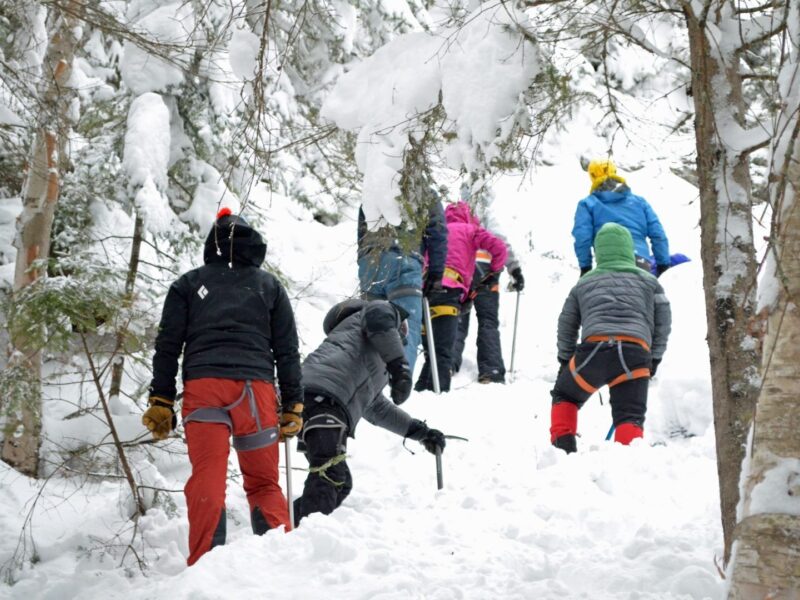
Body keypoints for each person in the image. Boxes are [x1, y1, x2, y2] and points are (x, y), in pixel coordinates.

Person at [142, 208, 304, 566]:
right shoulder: (269, 286)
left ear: (211, 246)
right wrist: (294, 404)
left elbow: (168, 345)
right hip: (255, 393)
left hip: (204, 389)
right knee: (263, 483)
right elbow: (287, 350)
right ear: (252, 245)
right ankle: (282, 566)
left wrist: (161, 400)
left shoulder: (187, 285)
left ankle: (205, 566)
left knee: (208, 480)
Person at [294, 298, 446, 525]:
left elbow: (376, 407)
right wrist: (400, 368)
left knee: (340, 480)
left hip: (315, 401)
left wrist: (420, 432)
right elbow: (380, 319)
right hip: (323, 398)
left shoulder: (367, 357)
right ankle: (297, 538)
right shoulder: (373, 311)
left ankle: (283, 525)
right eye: (401, 324)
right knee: (329, 476)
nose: (403, 327)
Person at [550, 223, 671, 453]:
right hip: (635, 354)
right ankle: (626, 463)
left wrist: (565, 360)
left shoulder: (583, 284)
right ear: (629, 249)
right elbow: (663, 322)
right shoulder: (650, 283)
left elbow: (566, 324)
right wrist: (654, 358)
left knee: (564, 395)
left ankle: (561, 452)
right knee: (630, 415)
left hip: (594, 352)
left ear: (598, 251)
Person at [415, 201, 507, 392]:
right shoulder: (470, 230)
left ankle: (419, 396)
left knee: (431, 352)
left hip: (424, 292)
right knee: (442, 353)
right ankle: (436, 399)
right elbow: (499, 247)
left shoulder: (436, 231)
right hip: (449, 292)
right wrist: (494, 273)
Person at [357, 190, 448, 376]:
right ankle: (399, 387)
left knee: (369, 328)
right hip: (404, 259)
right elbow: (437, 231)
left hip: (370, 262)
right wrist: (436, 273)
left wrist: (364, 259)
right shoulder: (422, 191)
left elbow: (362, 230)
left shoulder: (375, 186)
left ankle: (368, 391)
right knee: (407, 329)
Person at [451, 186, 524, 383]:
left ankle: (447, 361)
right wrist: (514, 269)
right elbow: (501, 243)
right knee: (488, 320)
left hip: (462, 271)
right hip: (487, 272)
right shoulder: (489, 217)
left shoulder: (457, 214)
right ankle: (490, 370)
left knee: (457, 317)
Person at [573, 159, 670, 277]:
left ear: (592, 177)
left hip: (607, 265)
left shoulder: (588, 204)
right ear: (614, 171)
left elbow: (582, 237)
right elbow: (658, 234)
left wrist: (585, 267)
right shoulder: (639, 202)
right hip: (640, 262)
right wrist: (663, 264)